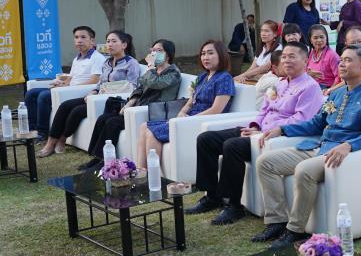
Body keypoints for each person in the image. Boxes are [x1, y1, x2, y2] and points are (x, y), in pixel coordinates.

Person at [256, 46, 361, 247]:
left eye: (347, 60)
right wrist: (282, 129)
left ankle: (295, 230)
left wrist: (348, 146)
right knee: (266, 163)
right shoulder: (337, 93)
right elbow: (317, 123)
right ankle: (277, 221)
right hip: (317, 146)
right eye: (341, 60)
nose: (341, 64)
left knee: (304, 170)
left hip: (337, 155)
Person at [187, 41, 324, 227]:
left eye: (292, 56)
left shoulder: (310, 87)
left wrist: (263, 130)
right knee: (206, 139)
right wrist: (254, 125)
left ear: (305, 60)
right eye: (284, 56)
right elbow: (263, 110)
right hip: (258, 130)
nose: (286, 60)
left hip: (276, 135)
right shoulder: (279, 83)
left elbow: (301, 119)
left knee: (232, 146)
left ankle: (233, 205)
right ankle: (211, 196)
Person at [80, 39, 182, 169]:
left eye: (159, 51)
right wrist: (130, 103)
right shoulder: (153, 70)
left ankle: (103, 161)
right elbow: (140, 87)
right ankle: (96, 157)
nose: (154, 53)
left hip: (153, 111)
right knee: (103, 118)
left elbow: (156, 83)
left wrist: (150, 67)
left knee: (112, 122)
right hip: (137, 106)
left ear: (168, 55)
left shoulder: (173, 73)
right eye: (153, 50)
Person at [134, 39, 234, 171]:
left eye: (210, 53)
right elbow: (191, 101)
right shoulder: (203, 77)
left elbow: (216, 110)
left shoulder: (225, 78)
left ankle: (153, 176)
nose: (205, 57)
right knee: (144, 126)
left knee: (153, 132)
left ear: (221, 55)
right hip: (188, 118)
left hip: (202, 121)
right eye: (203, 54)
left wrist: (189, 119)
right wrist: (182, 112)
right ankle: (141, 172)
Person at [39, 31, 138, 157]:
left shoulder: (131, 63)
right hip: (98, 95)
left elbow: (133, 86)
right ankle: (50, 143)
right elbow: (100, 83)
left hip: (112, 100)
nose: (110, 44)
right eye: (108, 41)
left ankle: (62, 139)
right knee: (65, 105)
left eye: (114, 41)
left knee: (77, 111)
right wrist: (93, 91)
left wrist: (107, 90)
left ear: (124, 45)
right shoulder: (107, 63)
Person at [26, 25, 104, 141]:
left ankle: (42, 133)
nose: (79, 40)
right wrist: (62, 84)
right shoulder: (77, 58)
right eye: (76, 37)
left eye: (83, 37)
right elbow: (71, 78)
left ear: (92, 41)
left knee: (44, 96)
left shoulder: (97, 58)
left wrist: (70, 87)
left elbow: (95, 80)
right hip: (68, 89)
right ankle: (32, 130)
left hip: (80, 91)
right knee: (31, 93)